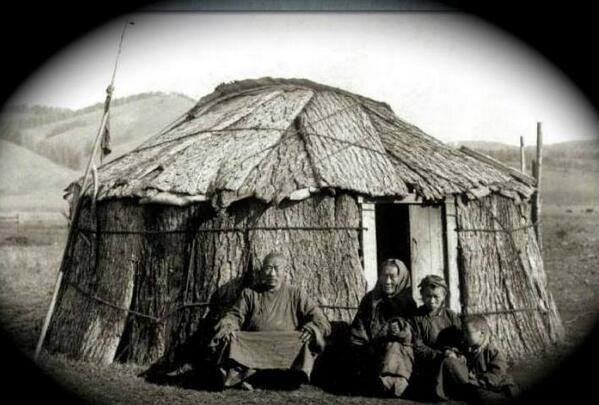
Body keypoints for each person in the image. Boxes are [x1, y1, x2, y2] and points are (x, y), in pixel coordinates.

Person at [209, 252, 331, 390]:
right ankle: (248, 376)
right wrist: (229, 325)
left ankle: (289, 377)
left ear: (285, 271)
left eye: (277, 268)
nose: (272, 274)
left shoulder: (296, 294)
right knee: (233, 338)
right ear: (262, 271)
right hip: (255, 342)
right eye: (268, 268)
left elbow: (321, 320)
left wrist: (312, 328)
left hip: (286, 343)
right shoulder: (250, 293)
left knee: (302, 340)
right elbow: (235, 315)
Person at [349, 258, 417, 397]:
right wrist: (362, 343)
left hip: (394, 352)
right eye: (384, 276)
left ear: (401, 278)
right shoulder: (370, 299)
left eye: (392, 276)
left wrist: (399, 330)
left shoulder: (408, 303)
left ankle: (391, 385)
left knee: (395, 348)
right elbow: (359, 326)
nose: (387, 281)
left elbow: (413, 335)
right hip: (371, 347)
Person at [436, 315, 519, 403]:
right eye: (463, 332)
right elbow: (456, 352)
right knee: (448, 361)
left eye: (467, 332)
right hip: (472, 384)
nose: (464, 336)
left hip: (489, 385)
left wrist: (476, 380)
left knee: (482, 394)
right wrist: (451, 353)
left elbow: (496, 376)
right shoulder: (467, 348)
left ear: (481, 333)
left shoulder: (493, 352)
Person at [410, 274, 463, 401]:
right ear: (422, 295)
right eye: (428, 296)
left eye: (436, 297)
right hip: (430, 363)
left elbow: (461, 340)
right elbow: (418, 347)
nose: (432, 300)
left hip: (452, 359)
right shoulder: (417, 318)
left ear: (444, 296)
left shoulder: (451, 316)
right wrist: (441, 354)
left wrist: (454, 352)